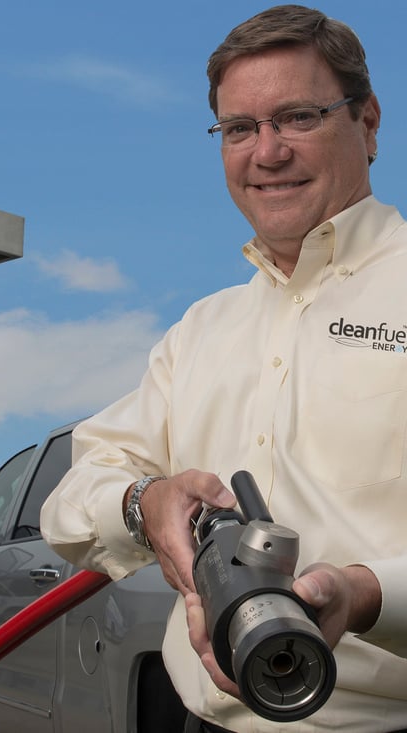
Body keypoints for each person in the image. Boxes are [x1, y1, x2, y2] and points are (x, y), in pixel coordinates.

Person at [40, 5, 407, 732]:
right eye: (239, 128)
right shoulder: (200, 330)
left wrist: (368, 593)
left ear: (367, 123)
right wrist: (144, 503)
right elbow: (75, 493)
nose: (266, 153)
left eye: (297, 117)